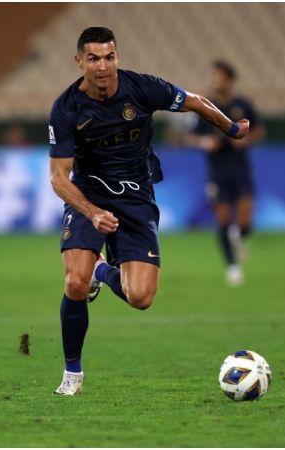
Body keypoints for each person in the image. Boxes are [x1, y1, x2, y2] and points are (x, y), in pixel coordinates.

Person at [49, 27, 249, 395]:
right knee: (74, 283)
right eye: (93, 58)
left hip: (136, 196)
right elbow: (59, 179)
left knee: (140, 297)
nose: (102, 66)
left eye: (109, 57)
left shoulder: (141, 88)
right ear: (80, 62)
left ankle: (102, 271)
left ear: (117, 58)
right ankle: (72, 373)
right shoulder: (66, 109)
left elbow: (194, 101)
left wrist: (231, 127)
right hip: (89, 194)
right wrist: (92, 213)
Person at [185, 60, 265, 286]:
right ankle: (232, 267)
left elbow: (259, 130)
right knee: (222, 218)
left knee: (245, 220)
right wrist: (204, 142)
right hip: (217, 171)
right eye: (212, 76)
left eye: (218, 76)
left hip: (240, 169)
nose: (214, 81)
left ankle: (239, 235)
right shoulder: (205, 105)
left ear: (229, 79)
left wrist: (247, 140)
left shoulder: (242, 104)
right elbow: (190, 137)